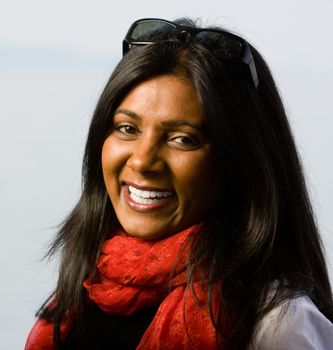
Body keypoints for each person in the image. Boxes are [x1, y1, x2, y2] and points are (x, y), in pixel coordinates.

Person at [25, 18, 333, 349]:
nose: (143, 161)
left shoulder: (277, 325)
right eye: (127, 128)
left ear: (240, 163)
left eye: (182, 139)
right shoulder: (82, 292)